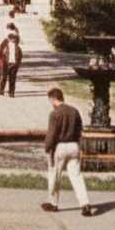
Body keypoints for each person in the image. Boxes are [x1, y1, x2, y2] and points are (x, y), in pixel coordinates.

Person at [40, 88, 93, 216]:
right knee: (76, 176)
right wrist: (79, 145)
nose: (51, 104)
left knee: (54, 175)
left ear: (54, 98)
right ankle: (85, 203)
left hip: (60, 147)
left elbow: (51, 134)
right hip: (74, 146)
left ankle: (53, 203)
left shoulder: (54, 114)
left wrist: (47, 148)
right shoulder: (74, 111)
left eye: (50, 101)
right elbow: (79, 131)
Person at [0, 32, 22, 97]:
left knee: (12, 78)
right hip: (6, 63)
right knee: (4, 77)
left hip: (14, 64)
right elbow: (0, 52)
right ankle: (1, 90)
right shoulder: (5, 46)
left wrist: (17, 64)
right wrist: (1, 61)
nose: (14, 40)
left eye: (14, 39)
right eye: (12, 39)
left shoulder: (17, 48)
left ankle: (11, 92)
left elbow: (20, 56)